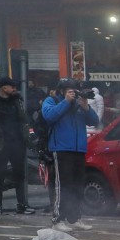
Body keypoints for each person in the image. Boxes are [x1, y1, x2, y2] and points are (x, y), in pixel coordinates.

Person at [42, 78, 99, 231]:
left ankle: (74, 218)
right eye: (69, 90)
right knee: (62, 186)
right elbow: (49, 116)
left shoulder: (79, 104)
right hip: (60, 149)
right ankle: (58, 219)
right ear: (62, 90)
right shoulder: (52, 100)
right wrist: (66, 102)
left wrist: (86, 106)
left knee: (77, 185)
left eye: (74, 90)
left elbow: (95, 120)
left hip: (79, 149)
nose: (72, 93)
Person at [0, 77, 35, 215]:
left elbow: (23, 119)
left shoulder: (17, 100)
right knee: (0, 174)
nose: (14, 89)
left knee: (20, 174)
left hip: (17, 142)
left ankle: (22, 204)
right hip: (0, 143)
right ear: (4, 88)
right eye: (12, 87)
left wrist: (26, 137)